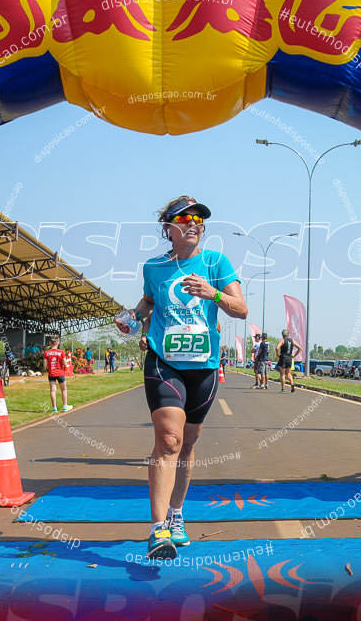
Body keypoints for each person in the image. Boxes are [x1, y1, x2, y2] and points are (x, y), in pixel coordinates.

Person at [116, 196, 247, 560]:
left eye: (199, 219)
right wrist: (131, 317)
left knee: (187, 444)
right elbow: (147, 303)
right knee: (169, 440)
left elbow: (241, 308)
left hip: (202, 366)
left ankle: (176, 515)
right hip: (164, 361)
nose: (194, 223)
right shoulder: (154, 268)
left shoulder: (215, 262)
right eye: (185, 218)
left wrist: (213, 292)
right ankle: (158, 529)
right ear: (168, 228)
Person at [43, 337, 72, 413]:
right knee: (64, 389)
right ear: (58, 343)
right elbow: (65, 363)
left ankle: (54, 408)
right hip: (60, 373)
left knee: (53, 390)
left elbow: (45, 365)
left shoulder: (46, 353)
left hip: (51, 374)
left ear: (50, 343)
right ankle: (65, 406)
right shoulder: (61, 352)